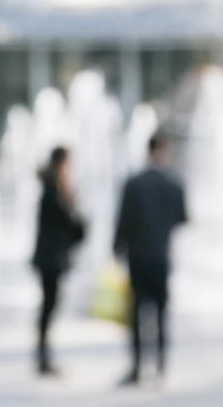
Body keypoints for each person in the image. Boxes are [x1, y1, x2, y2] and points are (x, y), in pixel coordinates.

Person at [114, 131, 187, 385]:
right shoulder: (173, 183)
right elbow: (182, 218)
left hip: (137, 257)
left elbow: (122, 222)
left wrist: (117, 250)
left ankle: (135, 368)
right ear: (164, 150)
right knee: (161, 313)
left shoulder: (134, 183)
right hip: (161, 257)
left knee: (136, 314)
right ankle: (160, 367)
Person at [31, 146, 84, 375]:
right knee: (49, 305)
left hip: (49, 258)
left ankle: (44, 356)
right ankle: (43, 358)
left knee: (49, 305)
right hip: (50, 259)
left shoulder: (51, 189)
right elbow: (71, 225)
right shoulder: (54, 192)